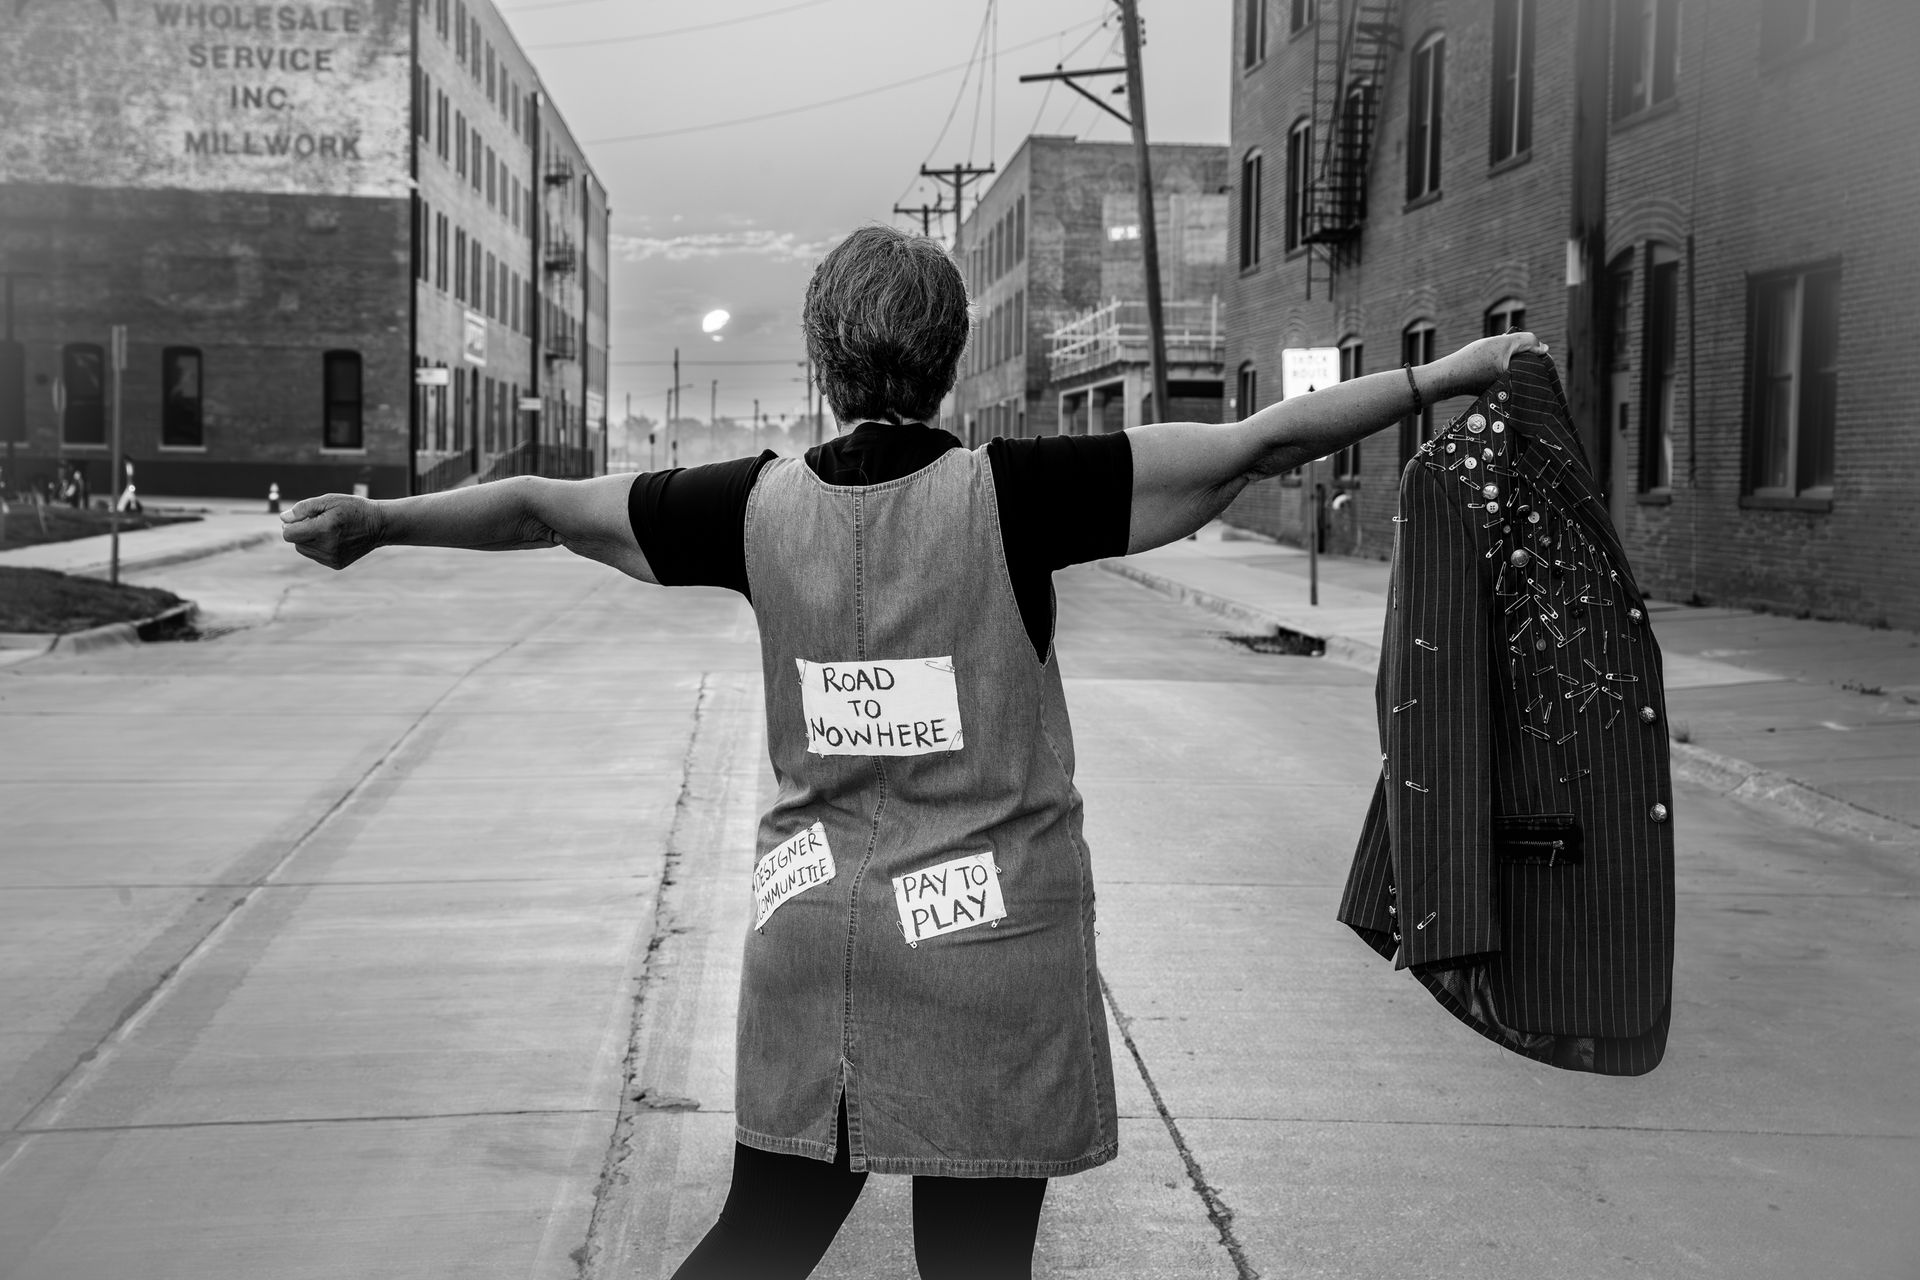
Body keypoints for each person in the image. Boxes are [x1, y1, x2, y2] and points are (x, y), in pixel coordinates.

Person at [284, 224, 1543, 1279]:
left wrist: (380, 518)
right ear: (948, 360)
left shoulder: (749, 504)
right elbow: (1260, 443)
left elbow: (542, 509)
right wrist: (1454, 373)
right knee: (974, 1271)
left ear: (825, 356)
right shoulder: (1020, 494)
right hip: (984, 949)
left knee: (761, 1239)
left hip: (815, 934)